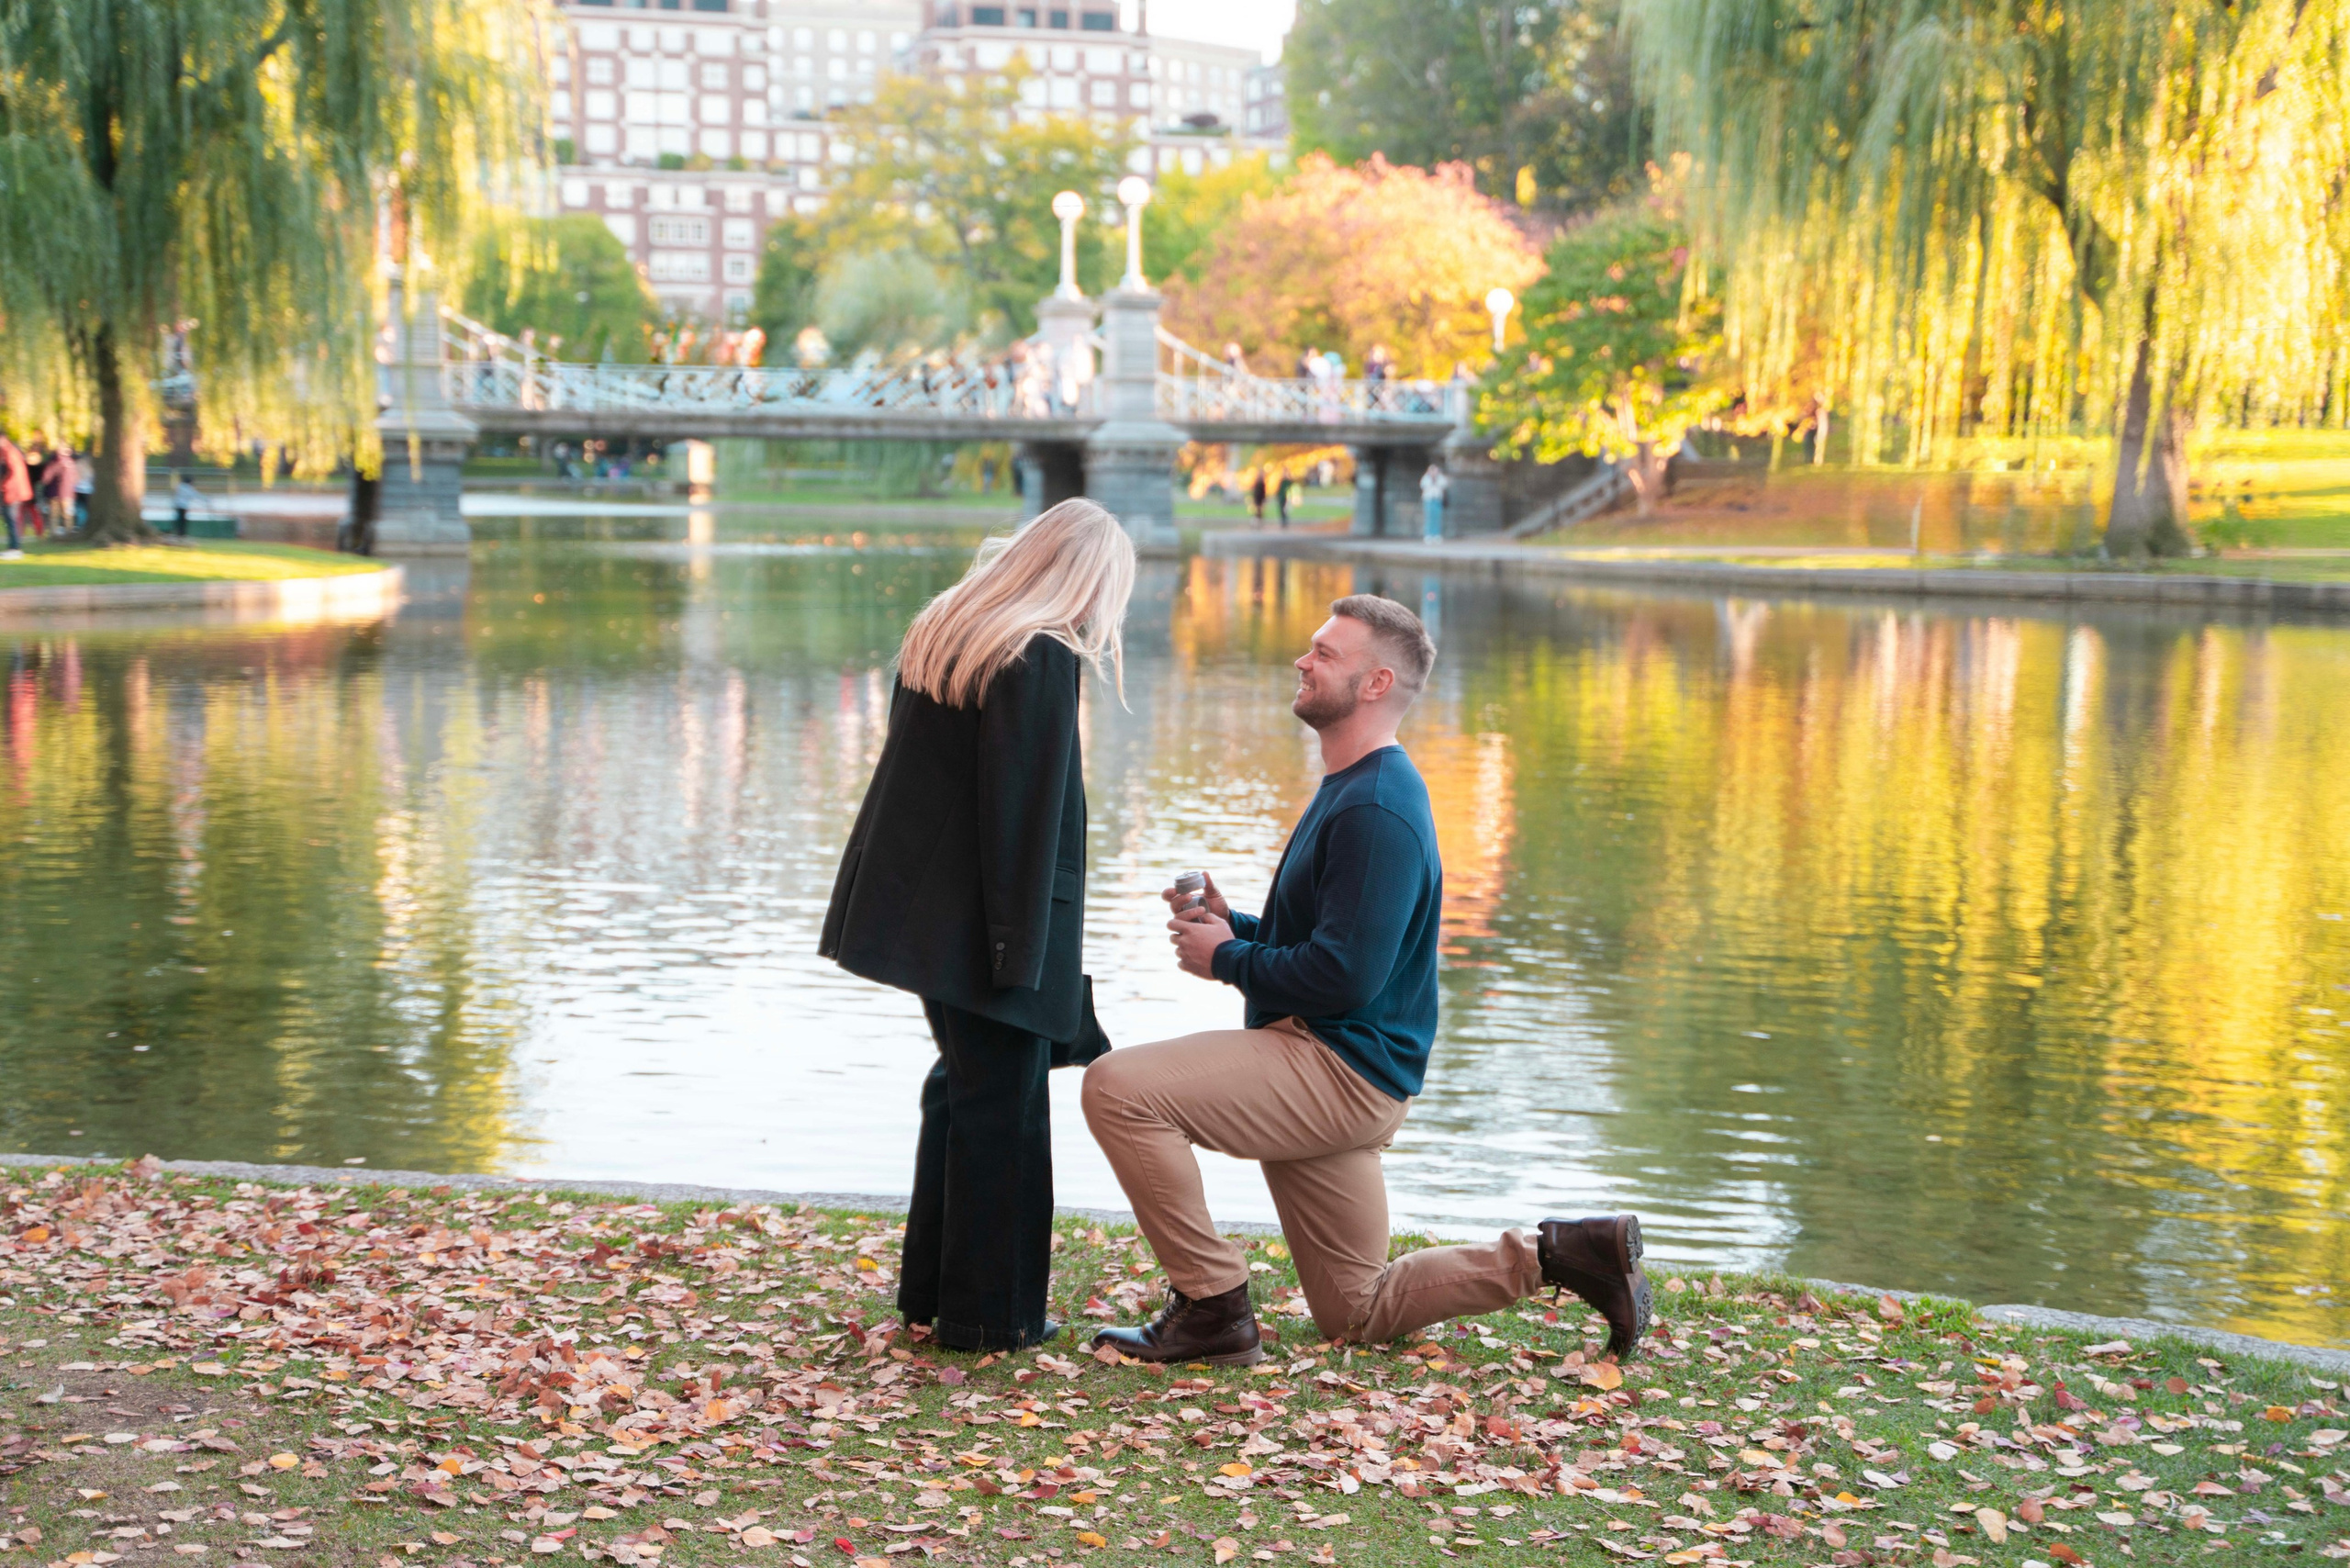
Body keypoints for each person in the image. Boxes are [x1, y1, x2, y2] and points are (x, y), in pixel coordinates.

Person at [1082, 595, 1651, 1366]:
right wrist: (1240, 927)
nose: (1302, 660)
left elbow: (1346, 976)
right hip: (1348, 1065)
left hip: (1336, 1066)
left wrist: (1224, 959)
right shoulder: (1354, 786)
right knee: (1357, 1311)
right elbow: (1340, 943)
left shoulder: (1377, 806)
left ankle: (1211, 1305)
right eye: (1310, 648)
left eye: (1325, 653)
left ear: (1377, 683)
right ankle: (1563, 1255)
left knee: (1119, 1088)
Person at [821, 498, 1137, 1352]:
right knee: (1004, 1106)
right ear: (1087, 579)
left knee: (961, 1092)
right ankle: (990, 1317)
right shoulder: (1036, 655)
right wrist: (1022, 959)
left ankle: (935, 1293)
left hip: (930, 916)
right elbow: (1024, 820)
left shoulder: (952, 630)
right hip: (993, 927)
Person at [0, 436, 31, 558]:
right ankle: (13, 547)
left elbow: (13, 473)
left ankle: (15, 548)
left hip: (13, 492)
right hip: (13, 491)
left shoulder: (10, 453)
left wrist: (3, 485)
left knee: (11, 520)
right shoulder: (10, 452)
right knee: (10, 519)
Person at [1419, 463, 1449, 542]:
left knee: (1437, 517)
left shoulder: (1440, 478)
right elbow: (1423, 485)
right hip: (1428, 500)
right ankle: (1428, 534)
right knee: (1429, 518)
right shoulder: (1426, 478)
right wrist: (1431, 478)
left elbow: (1444, 484)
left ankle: (1436, 534)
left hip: (1437, 499)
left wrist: (1437, 478)